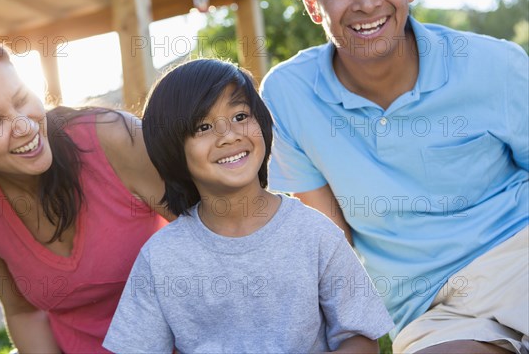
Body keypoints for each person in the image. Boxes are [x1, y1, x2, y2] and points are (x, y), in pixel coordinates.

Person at [260, 0, 529, 352]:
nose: (367, 3)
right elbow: (335, 243)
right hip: (434, 311)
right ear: (313, 4)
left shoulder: (495, 64)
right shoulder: (287, 95)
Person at [103, 58, 394, 353]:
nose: (229, 135)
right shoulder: (161, 257)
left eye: (240, 116)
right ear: (172, 149)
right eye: (203, 126)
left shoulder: (315, 233)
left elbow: (360, 337)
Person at [0, 34, 170, 353]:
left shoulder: (112, 136)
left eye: (20, 99)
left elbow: (213, 245)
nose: (24, 126)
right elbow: (24, 312)